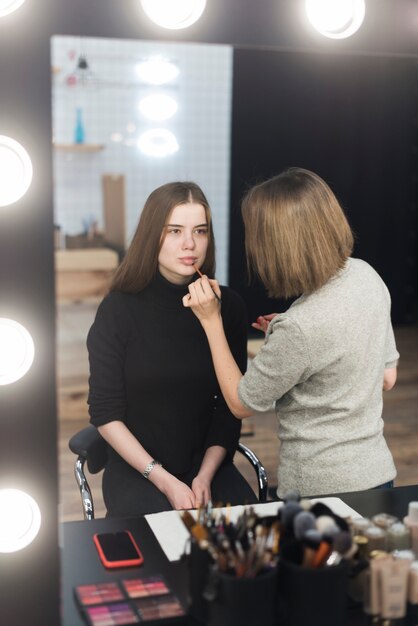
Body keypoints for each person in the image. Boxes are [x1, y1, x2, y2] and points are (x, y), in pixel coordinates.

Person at [183, 167, 399, 499]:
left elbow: (241, 403)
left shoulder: (300, 328)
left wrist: (212, 322)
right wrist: (294, 339)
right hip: (378, 476)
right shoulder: (365, 275)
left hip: (321, 492)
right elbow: (387, 376)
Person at [87, 181, 257, 517]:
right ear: (153, 236)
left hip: (207, 463)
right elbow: (105, 413)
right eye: (175, 231)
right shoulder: (119, 309)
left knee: (249, 543)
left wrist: (205, 475)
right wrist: (164, 480)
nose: (189, 244)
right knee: (171, 545)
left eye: (200, 231)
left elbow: (230, 408)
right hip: (140, 469)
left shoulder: (229, 306)